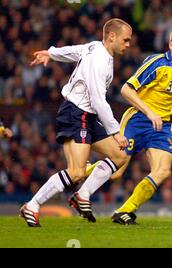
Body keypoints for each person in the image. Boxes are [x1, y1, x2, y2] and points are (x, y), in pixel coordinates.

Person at [80, 27, 172, 225]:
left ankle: (125, 211)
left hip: (161, 126)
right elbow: (126, 89)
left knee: (163, 171)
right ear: (171, 45)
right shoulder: (155, 63)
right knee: (117, 172)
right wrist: (149, 112)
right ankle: (80, 170)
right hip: (137, 119)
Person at [20, 18, 132, 227]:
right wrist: (116, 131)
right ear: (112, 36)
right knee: (77, 172)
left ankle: (83, 195)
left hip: (86, 115)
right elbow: (98, 100)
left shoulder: (96, 47)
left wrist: (50, 53)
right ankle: (32, 205)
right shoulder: (99, 59)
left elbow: (75, 50)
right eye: (126, 40)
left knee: (120, 156)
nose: (128, 44)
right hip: (76, 113)